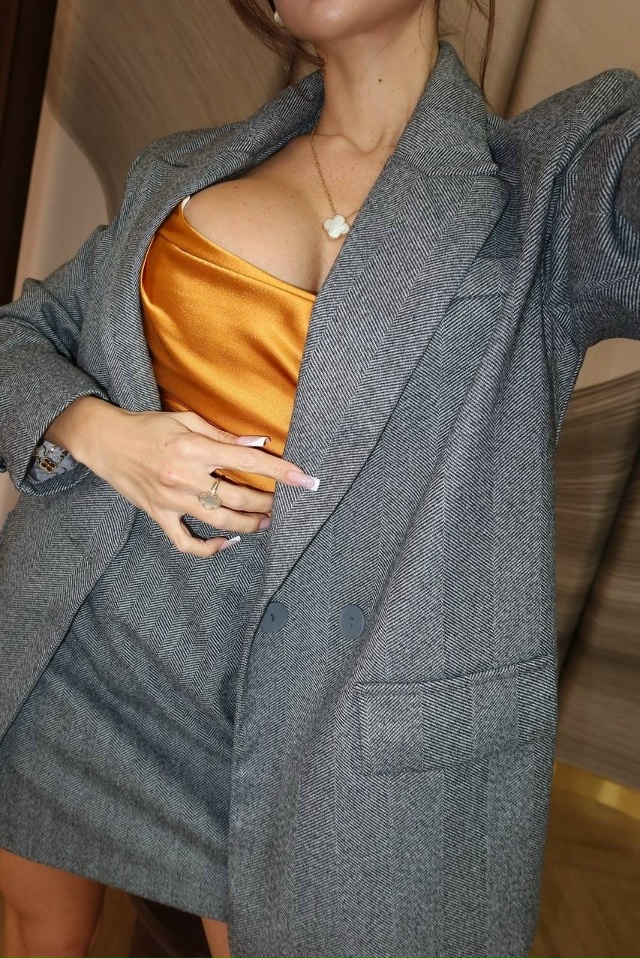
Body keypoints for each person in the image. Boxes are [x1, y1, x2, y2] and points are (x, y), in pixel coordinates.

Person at [0, 0, 639, 955]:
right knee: (37, 934)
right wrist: (105, 435)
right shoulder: (180, 170)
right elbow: (18, 338)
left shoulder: (549, 185)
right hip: (79, 646)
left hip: (312, 729)